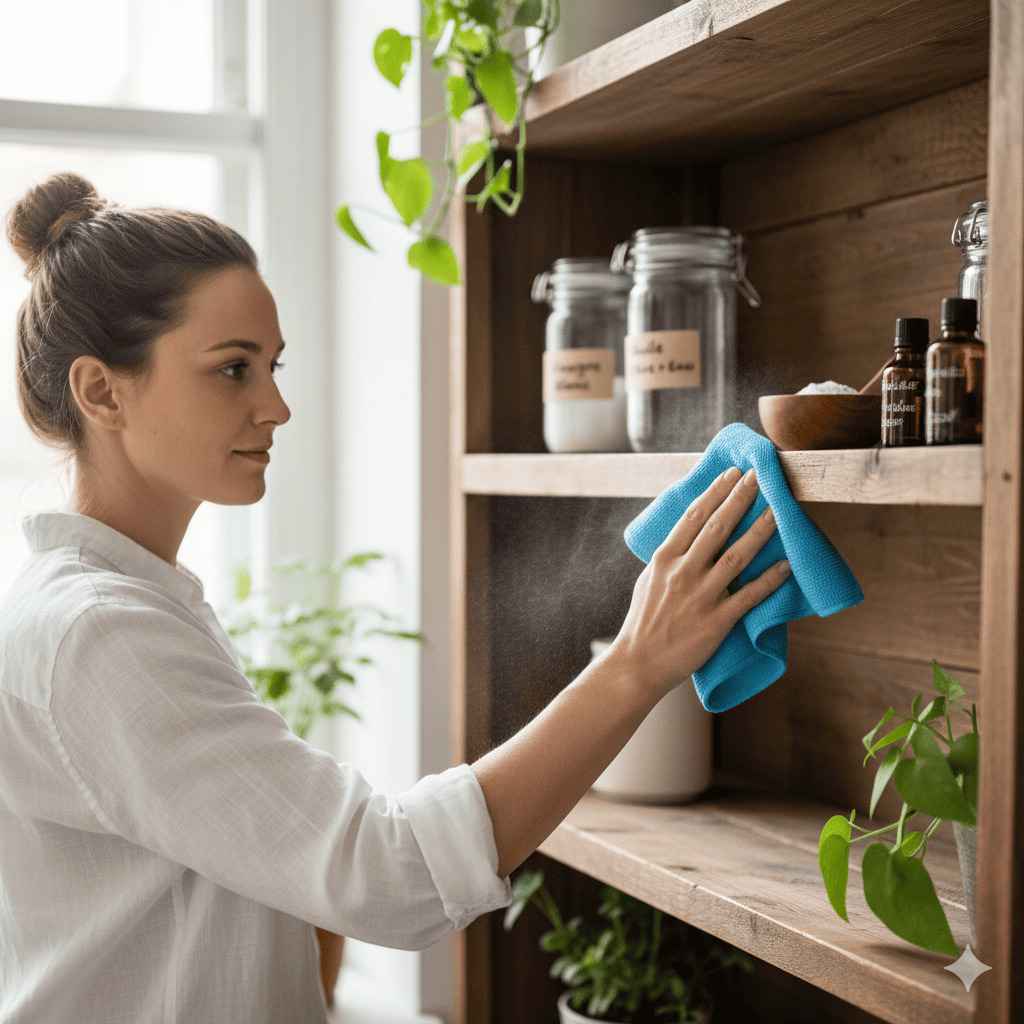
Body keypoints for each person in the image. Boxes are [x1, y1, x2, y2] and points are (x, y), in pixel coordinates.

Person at [0, 172, 790, 1023]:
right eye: (233, 370)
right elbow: (393, 877)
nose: (277, 405)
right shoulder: (101, 635)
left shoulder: (107, 606)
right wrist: (638, 662)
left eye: (272, 366)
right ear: (100, 391)